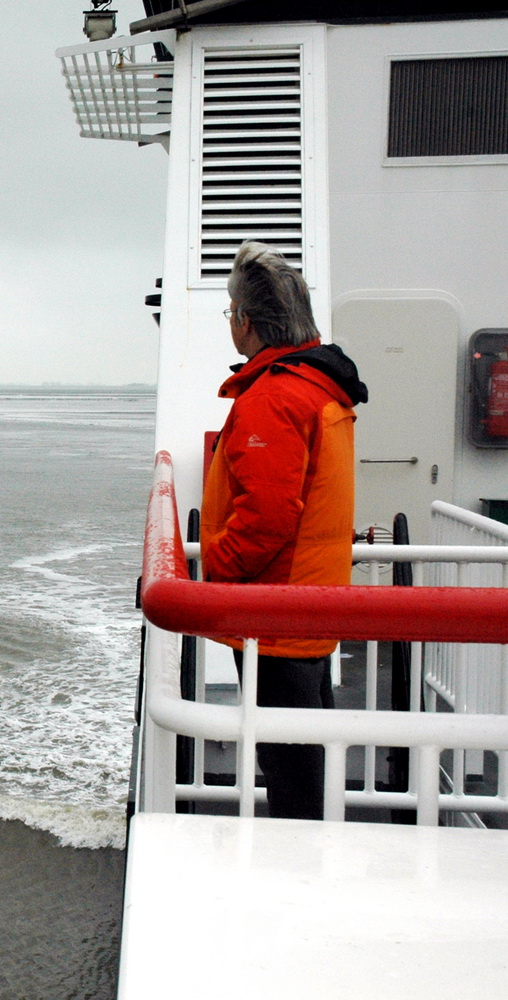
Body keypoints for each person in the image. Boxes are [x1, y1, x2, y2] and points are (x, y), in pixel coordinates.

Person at [200, 241, 369, 820]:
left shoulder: (274, 397)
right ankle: (312, 874)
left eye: (230, 314)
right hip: (310, 608)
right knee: (306, 769)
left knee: (293, 780)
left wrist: (213, 565)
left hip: (278, 618)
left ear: (246, 322)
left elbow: (266, 520)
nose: (231, 324)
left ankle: (300, 890)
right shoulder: (319, 386)